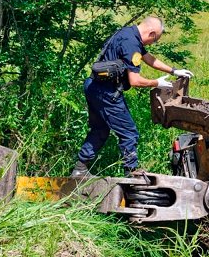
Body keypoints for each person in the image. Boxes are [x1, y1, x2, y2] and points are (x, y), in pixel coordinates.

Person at [71, 16, 193, 177]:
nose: (153, 43)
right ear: (151, 33)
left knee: (100, 129)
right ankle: (131, 173)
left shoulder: (128, 33)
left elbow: (148, 57)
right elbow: (134, 80)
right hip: (106, 93)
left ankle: (79, 170)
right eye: (155, 40)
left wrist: (173, 70)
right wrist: (156, 83)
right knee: (129, 132)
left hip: (93, 87)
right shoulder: (131, 43)